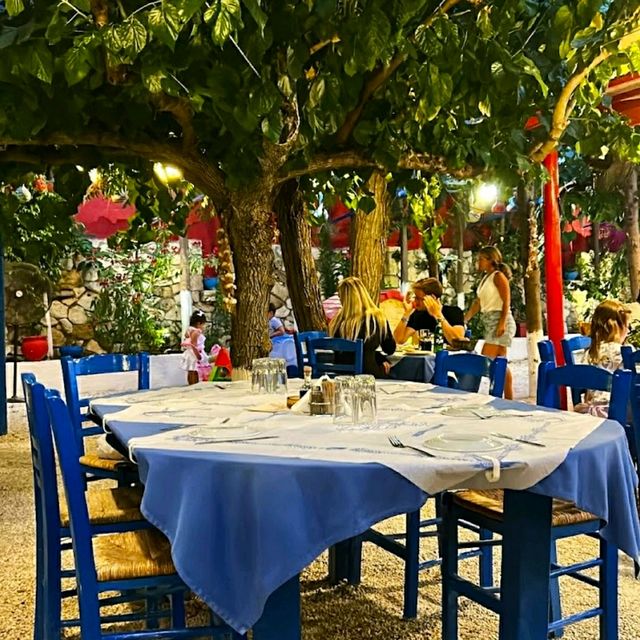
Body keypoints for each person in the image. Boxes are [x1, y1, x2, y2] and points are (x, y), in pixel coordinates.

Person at [464, 246, 517, 399]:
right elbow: (478, 303)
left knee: (484, 360)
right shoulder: (485, 279)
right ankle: (508, 398)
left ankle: (492, 395)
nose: (478, 262)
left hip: (500, 320)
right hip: (490, 321)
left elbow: (507, 300)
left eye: (481, 259)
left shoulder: (498, 276)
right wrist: (466, 318)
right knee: (501, 363)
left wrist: (501, 323)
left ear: (490, 260)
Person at [329, 276, 396, 378]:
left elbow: (347, 354)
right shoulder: (376, 318)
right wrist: (381, 359)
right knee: (397, 372)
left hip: (341, 375)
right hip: (369, 375)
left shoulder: (337, 321)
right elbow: (389, 349)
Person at [576, 299, 630, 417]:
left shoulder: (590, 353)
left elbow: (581, 381)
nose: (628, 330)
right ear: (616, 327)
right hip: (619, 412)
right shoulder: (624, 352)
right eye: (627, 326)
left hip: (591, 410)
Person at [393, 277, 465, 346]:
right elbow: (398, 340)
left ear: (432, 298)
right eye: (415, 298)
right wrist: (406, 313)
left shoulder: (454, 312)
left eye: (418, 298)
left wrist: (438, 316)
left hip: (449, 357)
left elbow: (457, 342)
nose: (415, 301)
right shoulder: (418, 315)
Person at [181, 309, 208, 385]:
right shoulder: (196, 332)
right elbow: (193, 344)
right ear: (199, 323)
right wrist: (198, 355)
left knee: (191, 370)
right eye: (203, 324)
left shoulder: (189, 330)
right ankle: (193, 385)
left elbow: (186, 336)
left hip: (190, 352)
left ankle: (191, 384)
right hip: (194, 353)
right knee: (194, 371)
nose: (203, 326)